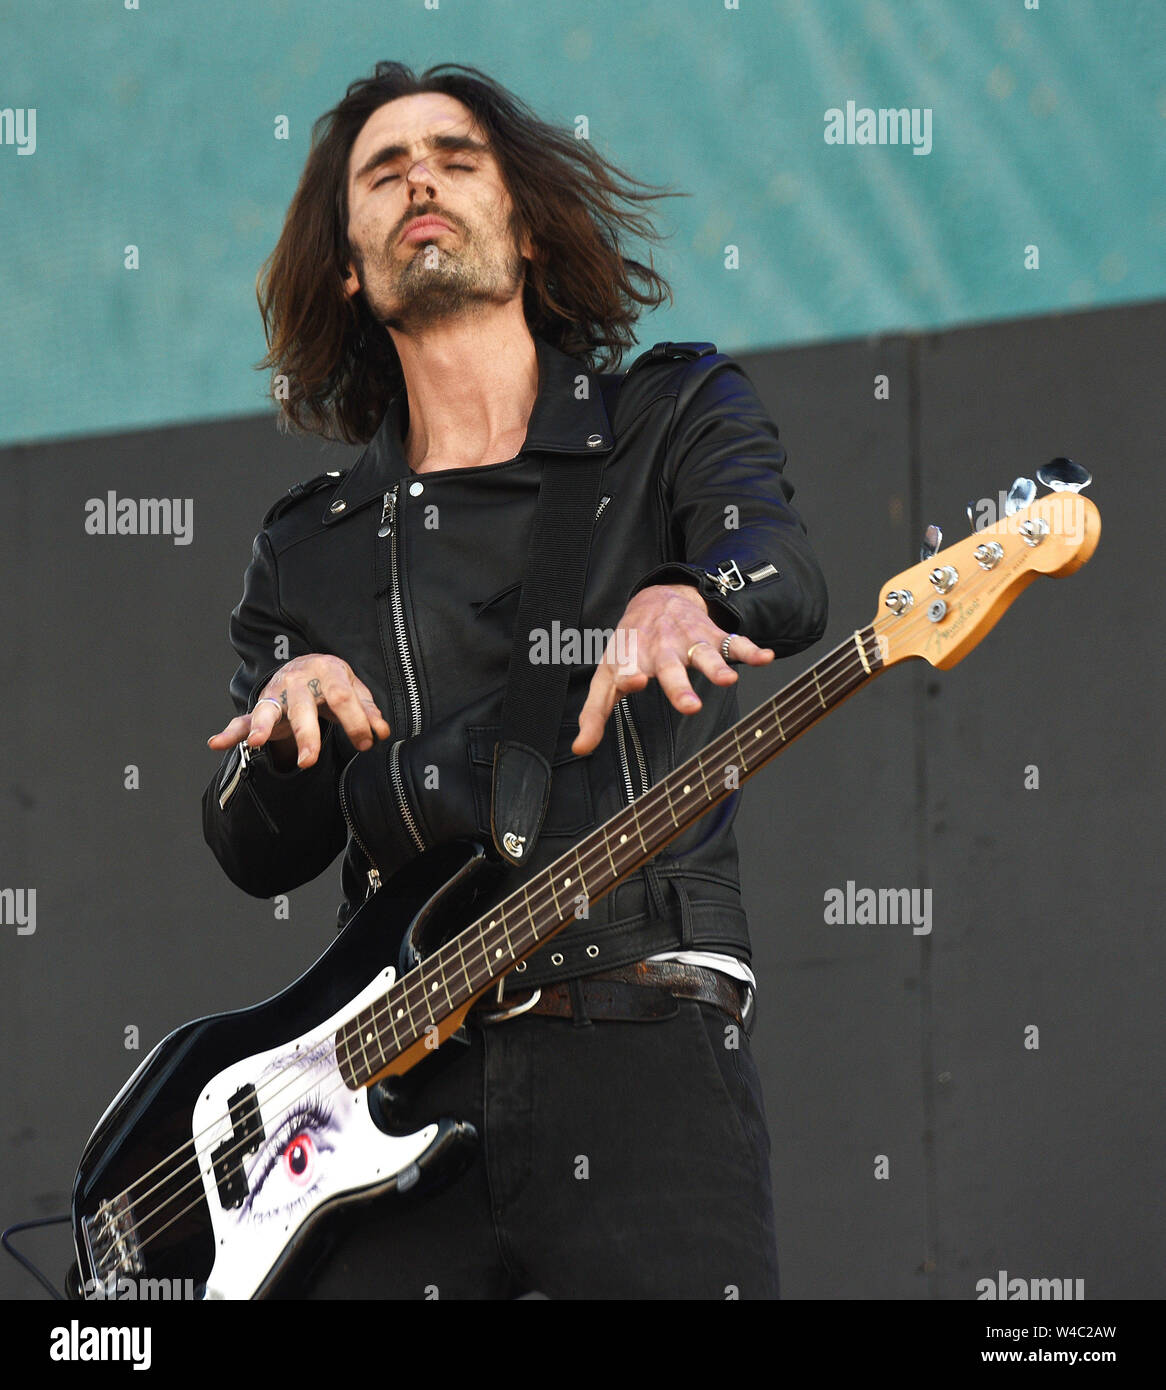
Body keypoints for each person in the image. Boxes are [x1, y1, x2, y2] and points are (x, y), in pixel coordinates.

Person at [202, 61, 828, 1300]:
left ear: (527, 224)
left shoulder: (670, 412)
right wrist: (283, 740)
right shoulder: (304, 542)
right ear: (348, 264)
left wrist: (691, 592)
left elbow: (783, 569)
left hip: (635, 1034)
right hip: (389, 1088)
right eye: (381, 173)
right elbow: (248, 845)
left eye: (454, 156)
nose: (418, 178)